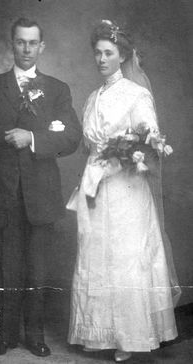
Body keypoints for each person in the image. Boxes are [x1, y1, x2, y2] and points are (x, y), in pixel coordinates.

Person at [67, 20, 181, 362]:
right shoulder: (91, 97)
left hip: (126, 189)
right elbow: (89, 146)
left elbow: (151, 143)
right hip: (95, 188)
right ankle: (97, 334)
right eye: (98, 53)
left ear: (123, 56)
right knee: (94, 256)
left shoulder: (136, 93)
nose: (101, 59)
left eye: (108, 53)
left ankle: (128, 337)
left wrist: (122, 156)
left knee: (125, 259)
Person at [0, 17, 82, 357]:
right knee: (8, 267)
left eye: (33, 43)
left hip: (41, 195)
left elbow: (71, 137)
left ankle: (35, 337)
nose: (27, 49)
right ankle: (7, 337)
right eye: (21, 42)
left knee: (37, 268)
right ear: (12, 44)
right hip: (3, 194)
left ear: (42, 47)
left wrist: (32, 138)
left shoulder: (58, 89)